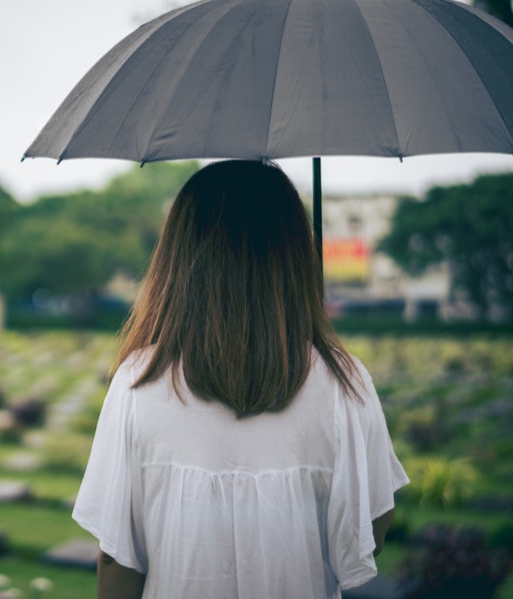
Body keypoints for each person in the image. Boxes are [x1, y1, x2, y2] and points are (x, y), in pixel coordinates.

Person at [73, 160, 409, 599]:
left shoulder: (138, 382)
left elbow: (118, 557)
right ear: (292, 253)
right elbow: (371, 533)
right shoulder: (344, 383)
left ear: (179, 256)